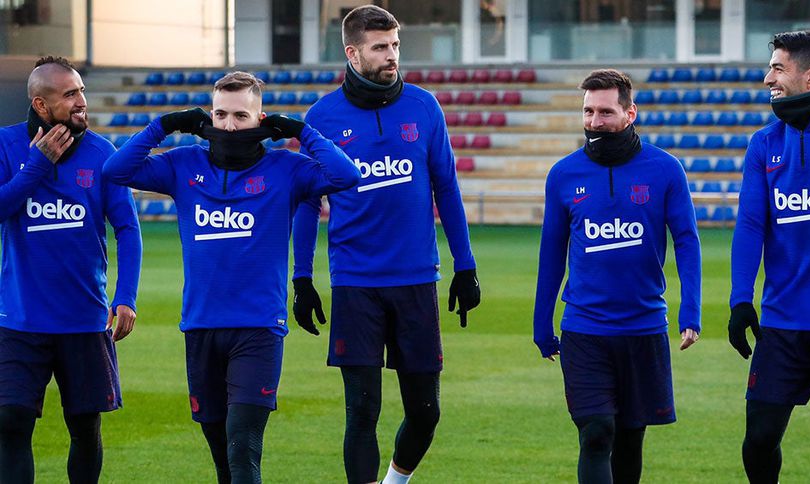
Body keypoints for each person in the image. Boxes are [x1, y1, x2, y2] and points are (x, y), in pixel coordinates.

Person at [102, 71, 359, 483]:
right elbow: (115, 171)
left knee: (243, 448)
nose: (228, 126)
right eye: (220, 114)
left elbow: (346, 176)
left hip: (258, 329)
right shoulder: (183, 165)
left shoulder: (286, 169)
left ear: (260, 120)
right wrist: (165, 125)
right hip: (200, 327)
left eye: (241, 116)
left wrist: (301, 132)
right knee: (223, 457)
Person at [291, 5, 481, 483]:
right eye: (380, 47)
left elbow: (447, 188)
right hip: (355, 284)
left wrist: (465, 265)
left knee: (426, 412)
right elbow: (308, 204)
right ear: (353, 53)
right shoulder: (322, 117)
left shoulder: (424, 107)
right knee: (362, 412)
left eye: (395, 45)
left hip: (416, 279)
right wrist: (302, 278)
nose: (392, 55)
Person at [533, 69, 701, 484]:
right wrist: (541, 322)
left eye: (605, 112)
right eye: (588, 111)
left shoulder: (666, 169)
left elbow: (687, 241)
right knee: (596, 433)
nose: (594, 121)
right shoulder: (563, 174)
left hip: (643, 328)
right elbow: (551, 253)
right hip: (584, 329)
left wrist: (691, 312)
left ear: (630, 113)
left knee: (629, 439)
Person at [0, 56, 142, 484]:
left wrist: (125, 296)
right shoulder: (6, 145)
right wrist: (38, 164)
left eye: (81, 90)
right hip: (19, 319)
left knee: (84, 427)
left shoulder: (103, 153)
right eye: (69, 94)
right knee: (10, 422)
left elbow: (128, 229)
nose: (82, 101)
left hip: (83, 320)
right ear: (40, 105)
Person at [729, 30, 810, 483]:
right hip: (783, 323)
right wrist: (740, 300)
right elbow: (750, 226)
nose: (768, 78)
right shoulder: (764, 143)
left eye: (778, 68)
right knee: (759, 439)